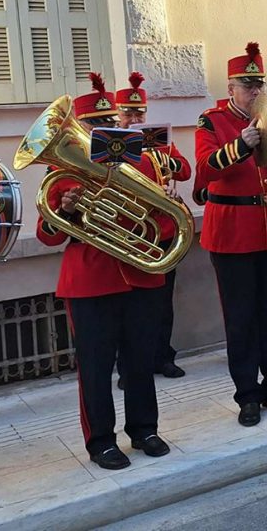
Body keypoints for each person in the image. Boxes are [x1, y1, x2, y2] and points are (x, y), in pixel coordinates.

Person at [37, 73, 171, 469]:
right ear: (78, 130)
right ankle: (100, 442)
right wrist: (65, 210)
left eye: (109, 122)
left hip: (139, 274)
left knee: (140, 361)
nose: (104, 130)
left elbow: (165, 224)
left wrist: (152, 208)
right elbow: (46, 235)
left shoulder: (144, 161)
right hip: (90, 278)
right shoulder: (62, 174)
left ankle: (145, 429)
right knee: (95, 367)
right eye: (94, 125)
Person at [195, 43, 267, 427]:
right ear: (231, 89)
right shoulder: (212, 121)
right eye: (247, 84)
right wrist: (240, 145)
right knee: (241, 318)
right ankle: (247, 394)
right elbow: (206, 169)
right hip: (233, 231)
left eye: (259, 83)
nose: (255, 90)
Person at [114, 72, 192, 384]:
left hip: (163, 232)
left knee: (162, 302)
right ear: (118, 115)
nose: (134, 117)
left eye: (139, 112)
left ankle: (163, 357)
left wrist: (166, 161)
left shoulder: (159, 140)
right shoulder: (111, 145)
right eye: (128, 112)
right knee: (126, 304)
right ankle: (128, 365)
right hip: (128, 234)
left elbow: (185, 171)